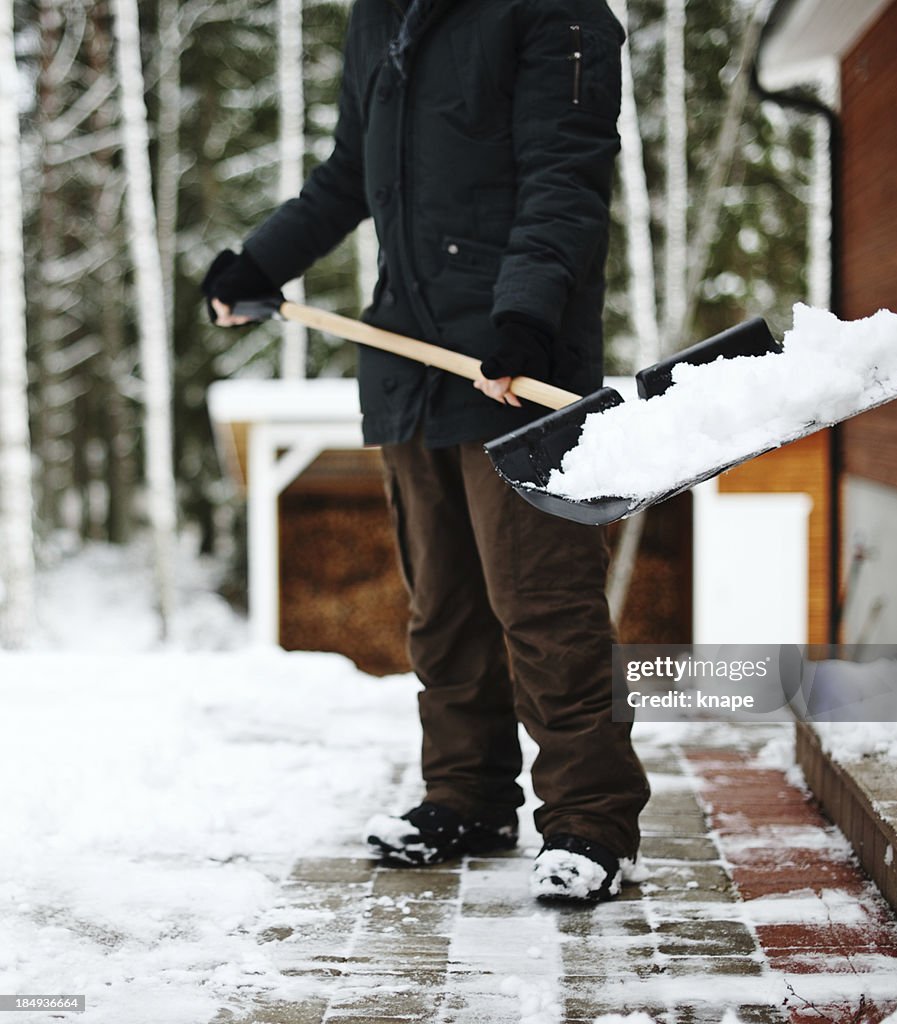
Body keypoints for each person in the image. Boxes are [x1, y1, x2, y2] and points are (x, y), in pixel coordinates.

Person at [202, 0, 649, 902]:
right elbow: (348, 176)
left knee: (542, 603)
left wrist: (523, 315)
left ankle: (590, 820)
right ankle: (469, 793)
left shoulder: (554, 13)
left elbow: (563, 175)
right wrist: (261, 263)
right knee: (442, 603)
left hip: (515, 368)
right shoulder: (382, 17)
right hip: (411, 358)